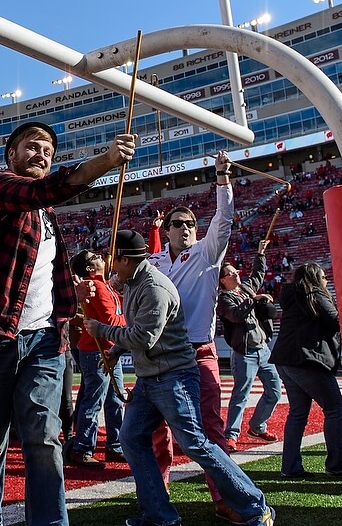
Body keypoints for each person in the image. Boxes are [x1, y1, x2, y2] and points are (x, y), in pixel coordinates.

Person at [0, 121, 135, 526]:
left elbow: (44, 271)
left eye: (49, 151)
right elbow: (45, 189)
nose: (42, 154)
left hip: (43, 339)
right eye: (33, 147)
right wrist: (107, 160)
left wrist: (64, 310)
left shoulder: (47, 217)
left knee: (44, 439)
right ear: (11, 155)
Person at [88, 230, 275, 526]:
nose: (112, 268)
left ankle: (255, 506)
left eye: (115, 261)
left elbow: (145, 336)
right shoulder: (136, 283)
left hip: (172, 377)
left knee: (196, 444)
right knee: (131, 438)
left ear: (125, 259)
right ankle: (159, 515)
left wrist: (103, 332)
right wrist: (115, 351)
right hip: (153, 378)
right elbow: (139, 325)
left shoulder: (153, 287)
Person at [147, 152, 236, 521]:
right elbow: (127, 287)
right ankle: (159, 490)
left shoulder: (207, 253)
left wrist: (221, 179)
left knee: (211, 428)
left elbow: (225, 219)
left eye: (191, 223)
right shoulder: (151, 263)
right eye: (178, 223)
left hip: (198, 352)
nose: (185, 228)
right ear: (166, 230)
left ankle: (224, 496)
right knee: (156, 430)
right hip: (159, 354)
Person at [269, 263, 342, 480]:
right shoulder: (314, 293)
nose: (326, 280)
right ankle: (336, 463)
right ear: (316, 277)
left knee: (297, 413)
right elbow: (337, 321)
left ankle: (290, 467)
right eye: (323, 276)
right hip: (307, 360)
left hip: (286, 360)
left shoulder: (293, 296)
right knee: (335, 408)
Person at [217, 240, 281, 451]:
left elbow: (257, 276)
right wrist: (254, 299)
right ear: (223, 281)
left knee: (275, 392)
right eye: (231, 274)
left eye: (236, 271)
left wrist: (260, 254)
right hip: (244, 353)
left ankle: (257, 425)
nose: (237, 275)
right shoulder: (224, 300)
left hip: (263, 349)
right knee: (240, 395)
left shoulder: (245, 288)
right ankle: (231, 434)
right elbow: (236, 315)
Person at [69, 250, 126, 468]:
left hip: (105, 349)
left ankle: (115, 445)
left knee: (113, 400)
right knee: (96, 400)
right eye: (95, 258)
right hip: (98, 351)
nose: (102, 257)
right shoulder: (99, 287)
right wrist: (131, 318)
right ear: (90, 268)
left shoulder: (104, 285)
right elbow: (111, 320)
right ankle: (83, 447)